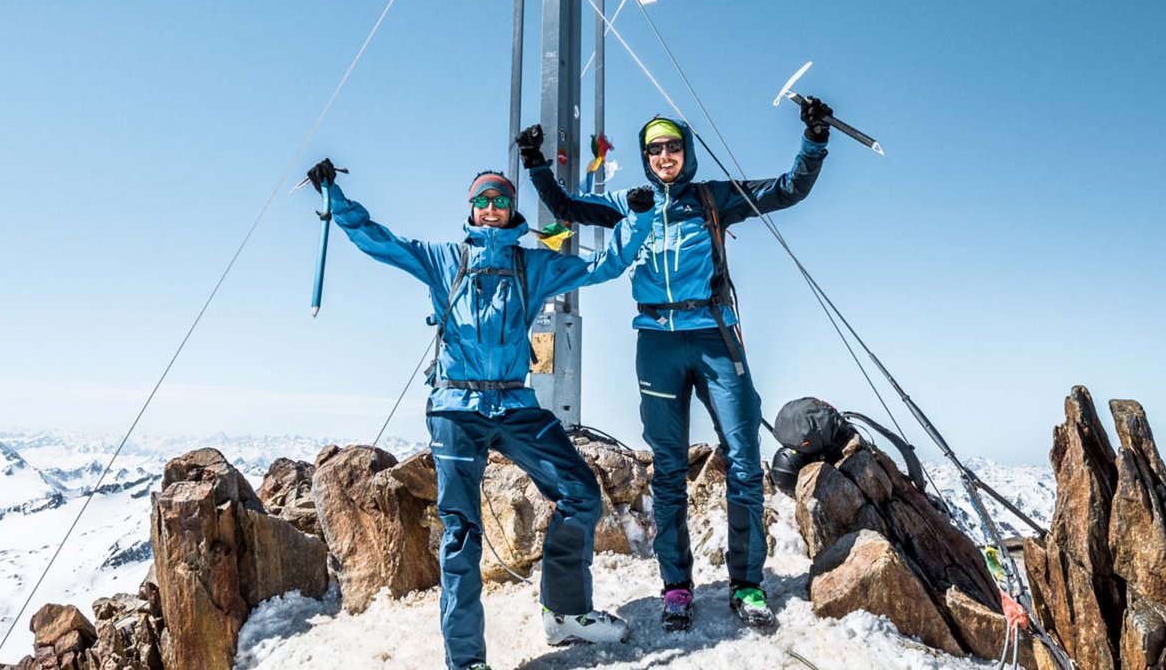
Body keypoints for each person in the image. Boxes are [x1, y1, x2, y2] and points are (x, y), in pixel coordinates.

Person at [305, 159, 654, 670]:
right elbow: (379, 240)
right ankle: (466, 660)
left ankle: (566, 613)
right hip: (455, 406)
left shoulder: (532, 264)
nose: (491, 209)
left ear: (511, 208)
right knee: (462, 531)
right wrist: (335, 199)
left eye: (500, 201)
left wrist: (639, 219)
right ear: (470, 208)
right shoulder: (443, 259)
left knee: (579, 492)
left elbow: (605, 267)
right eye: (483, 201)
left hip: (514, 403)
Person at [517, 96, 835, 631]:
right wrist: (534, 162)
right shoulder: (631, 200)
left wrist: (814, 139)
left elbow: (788, 189)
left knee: (742, 458)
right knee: (667, 469)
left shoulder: (711, 198)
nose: (664, 155)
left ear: (687, 152)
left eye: (672, 146)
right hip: (657, 343)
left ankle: (748, 585)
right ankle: (677, 588)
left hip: (714, 337)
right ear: (646, 158)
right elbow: (568, 207)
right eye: (654, 148)